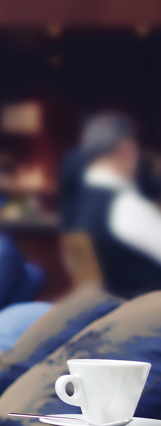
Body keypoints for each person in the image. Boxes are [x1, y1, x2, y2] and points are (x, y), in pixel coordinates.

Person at [64, 112, 161, 298]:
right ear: (126, 149)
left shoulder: (79, 205)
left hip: (116, 317)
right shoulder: (124, 205)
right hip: (149, 318)